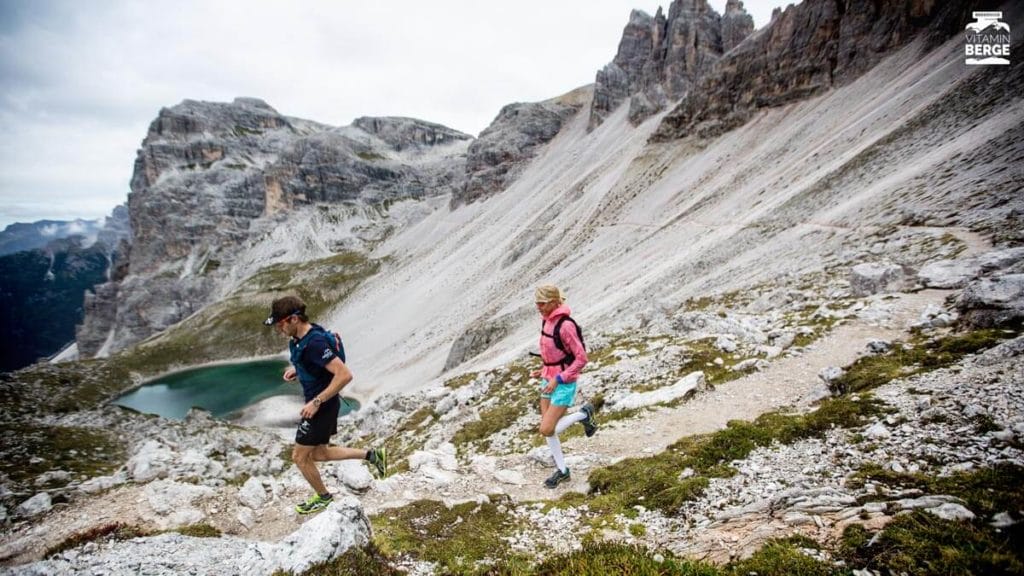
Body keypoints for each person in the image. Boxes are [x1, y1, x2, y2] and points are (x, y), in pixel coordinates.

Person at [264, 295, 387, 514]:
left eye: (280, 324)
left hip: (321, 407)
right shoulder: (301, 338)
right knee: (320, 454)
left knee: (299, 457)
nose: (278, 329)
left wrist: (316, 402)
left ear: (293, 319)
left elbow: (344, 375)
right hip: (320, 404)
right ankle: (372, 455)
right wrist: (298, 370)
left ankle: (324, 497)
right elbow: (315, 364)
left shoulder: (315, 342)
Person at [531, 284, 596, 489]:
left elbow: (581, 359)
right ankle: (562, 471)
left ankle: (584, 415)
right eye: (537, 303)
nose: (538, 307)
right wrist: (542, 370)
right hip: (547, 379)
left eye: (541, 303)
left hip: (563, 383)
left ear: (553, 302)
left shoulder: (566, 325)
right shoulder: (546, 322)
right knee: (548, 430)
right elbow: (553, 353)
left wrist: (558, 378)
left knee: (547, 428)